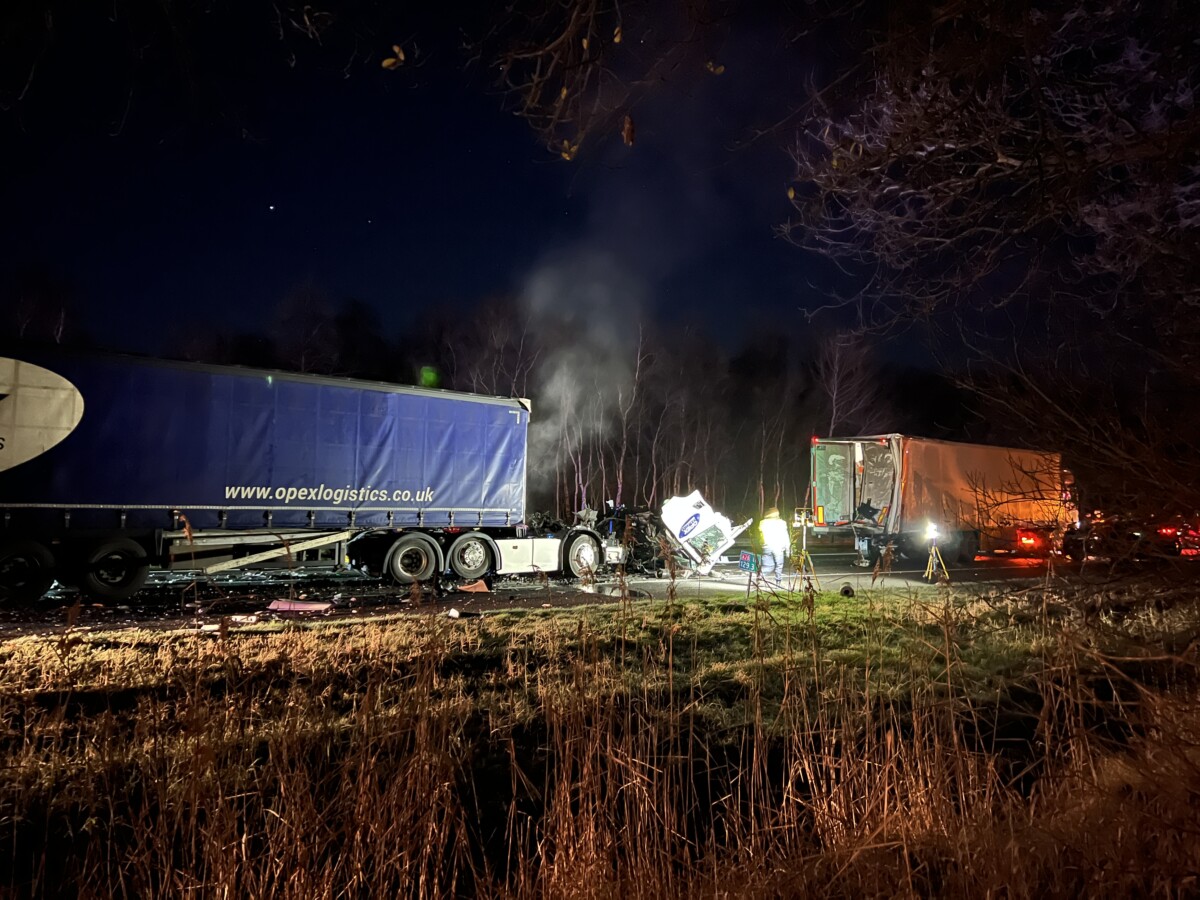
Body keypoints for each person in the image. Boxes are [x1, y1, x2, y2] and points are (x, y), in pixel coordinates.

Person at [758, 507, 791, 585]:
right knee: (779, 565)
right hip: (778, 546)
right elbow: (786, 537)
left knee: (768, 565)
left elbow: (760, 535)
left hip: (766, 546)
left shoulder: (762, 523)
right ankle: (778, 581)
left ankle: (760, 576)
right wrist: (788, 550)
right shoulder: (782, 523)